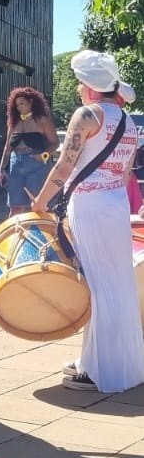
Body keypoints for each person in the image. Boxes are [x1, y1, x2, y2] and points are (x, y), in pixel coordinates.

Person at [31, 50, 144, 394]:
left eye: (81, 84)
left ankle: (97, 370)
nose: (79, 90)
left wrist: (40, 200)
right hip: (114, 205)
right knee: (118, 282)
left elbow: (65, 166)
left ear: (92, 88)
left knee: (94, 284)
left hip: (91, 206)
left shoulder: (88, 115)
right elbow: (126, 172)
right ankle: (114, 362)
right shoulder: (127, 120)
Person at [0, 87, 59, 216]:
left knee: (37, 204)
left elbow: (55, 143)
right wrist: (2, 169)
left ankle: (41, 233)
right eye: (17, 105)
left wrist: (44, 155)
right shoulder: (14, 122)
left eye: (22, 103)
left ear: (31, 101)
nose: (19, 107)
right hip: (16, 163)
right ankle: (15, 233)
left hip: (36, 163)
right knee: (15, 206)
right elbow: (7, 148)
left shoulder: (42, 120)